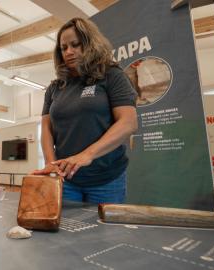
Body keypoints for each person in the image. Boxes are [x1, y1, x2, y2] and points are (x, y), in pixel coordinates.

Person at [32, 18, 138, 204]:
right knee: (64, 230)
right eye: (63, 48)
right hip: (65, 179)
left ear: (90, 44)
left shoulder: (112, 76)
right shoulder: (54, 88)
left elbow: (128, 123)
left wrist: (86, 155)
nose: (69, 52)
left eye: (75, 45)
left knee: (106, 233)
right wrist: (50, 163)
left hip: (106, 180)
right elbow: (46, 129)